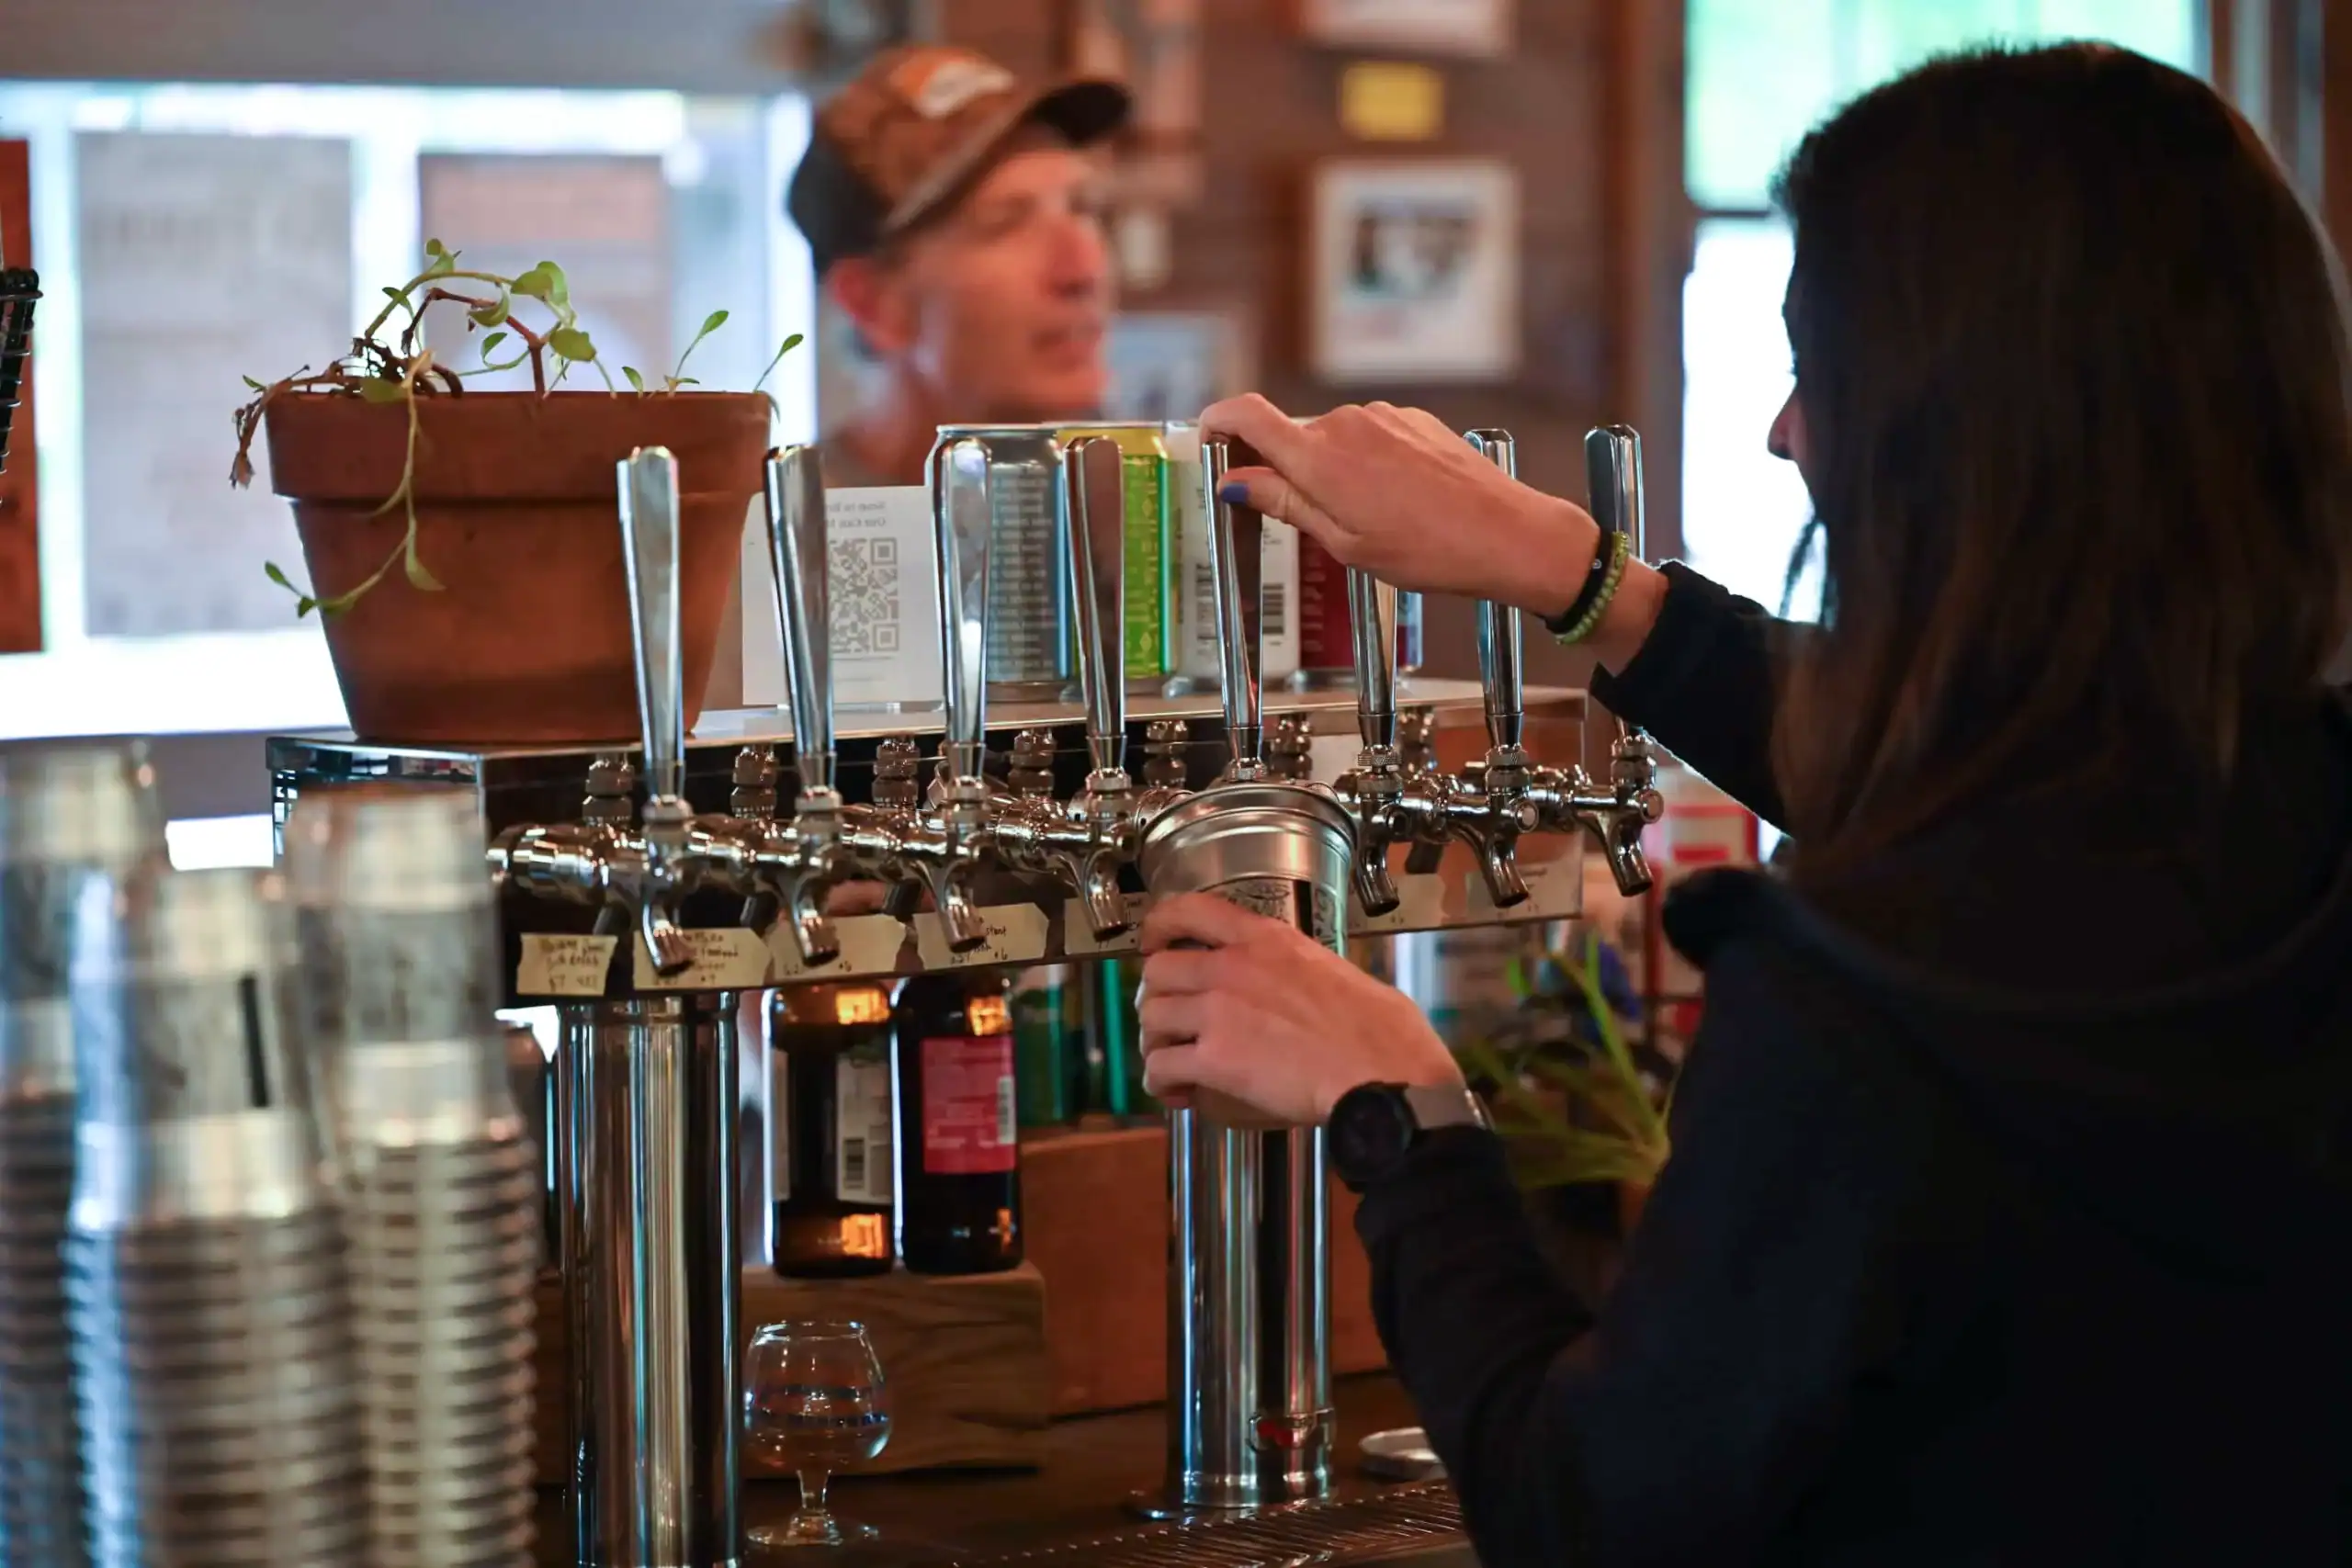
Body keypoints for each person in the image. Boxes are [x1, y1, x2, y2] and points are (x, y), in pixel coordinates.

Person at [1139, 44, 2352, 1566]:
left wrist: (1405, 1110)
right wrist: (1580, 577)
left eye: (1816, 374)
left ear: (1953, 442)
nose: (1787, 434)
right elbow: (2008, 797)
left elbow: (1594, 1512)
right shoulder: (2279, 809)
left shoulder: (1859, 1007)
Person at [785, 44, 1127, 485]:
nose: (1084, 271)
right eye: (1006, 222)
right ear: (873, 304)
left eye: (1083, 207)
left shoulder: (1156, 511)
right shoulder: (789, 538)